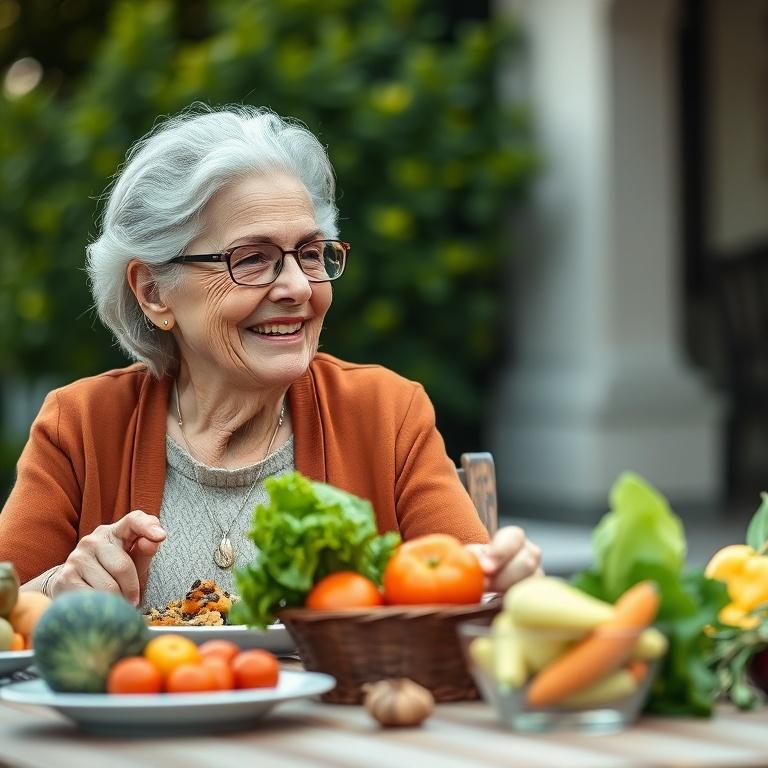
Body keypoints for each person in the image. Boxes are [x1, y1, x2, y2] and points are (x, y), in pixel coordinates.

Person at [0, 105, 541, 609]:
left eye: (309, 253)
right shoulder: (80, 427)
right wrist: (54, 588)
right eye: (252, 259)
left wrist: (505, 589)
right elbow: (8, 608)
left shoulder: (387, 415)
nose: (297, 287)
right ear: (153, 292)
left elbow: (466, 601)